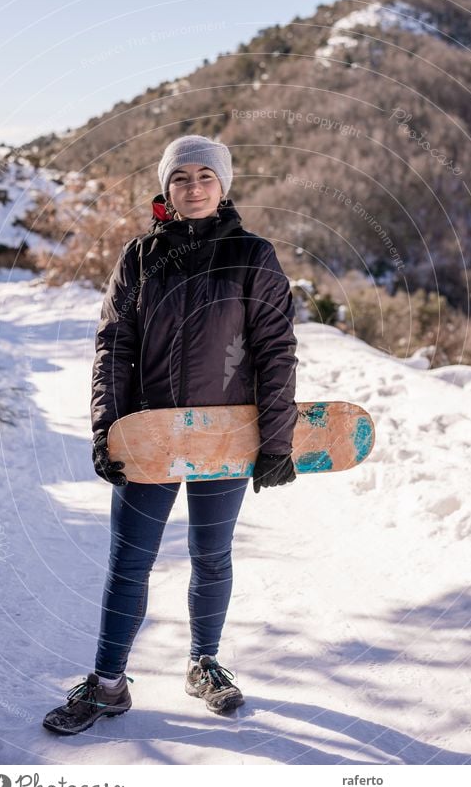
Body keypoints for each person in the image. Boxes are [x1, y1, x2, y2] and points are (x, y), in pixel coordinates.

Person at [43, 135, 299, 735]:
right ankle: (108, 683)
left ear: (223, 184)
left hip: (225, 434)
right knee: (129, 562)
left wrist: (277, 440)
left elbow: (276, 350)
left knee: (212, 556)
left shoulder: (252, 255)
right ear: (166, 188)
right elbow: (114, 346)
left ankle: (204, 663)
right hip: (150, 434)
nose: (193, 187)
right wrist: (109, 430)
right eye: (180, 177)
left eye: (205, 175)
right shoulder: (137, 257)